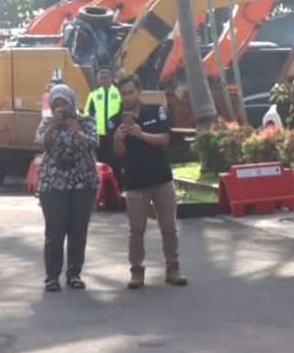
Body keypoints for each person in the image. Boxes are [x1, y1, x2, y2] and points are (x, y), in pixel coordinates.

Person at [112, 74, 187, 289]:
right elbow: (119, 154)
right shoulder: (117, 120)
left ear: (139, 91)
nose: (127, 97)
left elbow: (164, 139)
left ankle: (173, 267)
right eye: (123, 94)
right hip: (135, 182)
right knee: (136, 230)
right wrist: (119, 137)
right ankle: (136, 271)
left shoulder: (156, 111)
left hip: (161, 178)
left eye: (131, 92)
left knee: (169, 227)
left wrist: (141, 134)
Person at [34, 83, 99, 291]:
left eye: (65, 103)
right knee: (55, 231)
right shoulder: (46, 123)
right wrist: (53, 125)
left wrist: (77, 132)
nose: (61, 108)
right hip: (53, 184)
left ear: (72, 103)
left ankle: (74, 274)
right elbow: (39, 144)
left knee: (78, 231)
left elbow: (94, 143)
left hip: (83, 182)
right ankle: (52, 276)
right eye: (57, 104)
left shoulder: (85, 121)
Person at [84, 66, 123, 185]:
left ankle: (119, 186)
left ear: (111, 78)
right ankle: (101, 186)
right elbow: (88, 112)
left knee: (116, 162)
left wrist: (115, 122)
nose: (103, 80)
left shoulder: (118, 92)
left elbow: (123, 110)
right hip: (99, 135)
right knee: (100, 162)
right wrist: (90, 127)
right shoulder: (93, 94)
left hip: (115, 134)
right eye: (101, 78)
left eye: (105, 78)